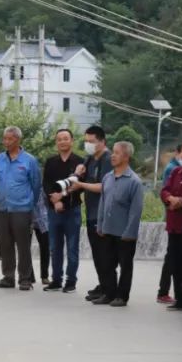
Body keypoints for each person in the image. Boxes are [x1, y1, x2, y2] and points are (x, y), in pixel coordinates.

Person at [92, 141, 144, 307]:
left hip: (124, 233)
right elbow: (103, 202)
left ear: (126, 157)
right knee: (106, 263)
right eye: (112, 152)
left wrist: (130, 233)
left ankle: (122, 296)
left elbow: (136, 211)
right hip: (107, 230)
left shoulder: (134, 181)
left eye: (117, 153)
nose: (112, 156)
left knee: (125, 266)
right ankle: (109, 293)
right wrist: (100, 224)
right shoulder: (107, 177)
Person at [0, 126, 41, 291]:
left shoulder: (29, 160)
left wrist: (29, 204)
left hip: (22, 208)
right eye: (4, 138)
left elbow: (36, 185)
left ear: (18, 140)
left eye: (10, 139)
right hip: (2, 207)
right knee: (5, 244)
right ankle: (8, 277)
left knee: (23, 244)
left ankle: (25, 279)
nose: (6, 142)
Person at [72, 125, 114, 301]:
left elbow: (104, 186)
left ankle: (110, 290)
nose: (88, 145)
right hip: (91, 214)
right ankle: (103, 285)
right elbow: (78, 181)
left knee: (105, 255)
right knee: (97, 254)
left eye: (92, 141)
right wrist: (77, 174)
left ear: (102, 141)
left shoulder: (107, 159)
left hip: (103, 215)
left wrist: (81, 185)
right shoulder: (89, 159)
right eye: (86, 141)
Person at [42, 129, 84, 293]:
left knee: (72, 247)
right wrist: (54, 200)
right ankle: (56, 280)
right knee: (55, 247)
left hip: (72, 210)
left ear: (72, 141)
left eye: (66, 138)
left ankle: (71, 281)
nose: (62, 142)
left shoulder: (80, 163)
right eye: (59, 139)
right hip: (53, 211)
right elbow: (46, 184)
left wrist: (62, 200)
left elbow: (79, 187)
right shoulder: (51, 161)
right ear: (56, 143)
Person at [159, 141, 182, 309]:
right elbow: (164, 190)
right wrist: (170, 199)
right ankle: (179, 299)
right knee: (175, 263)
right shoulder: (175, 172)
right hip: (173, 224)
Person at [33, 196, 50, 285]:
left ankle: (44, 276)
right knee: (25, 248)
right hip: (28, 216)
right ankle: (29, 276)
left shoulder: (45, 185)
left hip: (44, 219)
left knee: (45, 248)